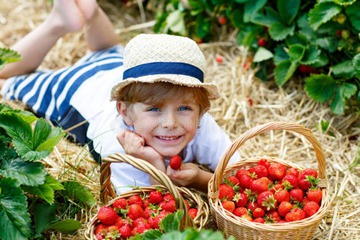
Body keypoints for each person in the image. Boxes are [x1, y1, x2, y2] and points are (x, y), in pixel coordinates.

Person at [0, 0, 238, 194]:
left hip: (122, 68)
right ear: (124, 112)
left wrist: (199, 178)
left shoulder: (201, 124)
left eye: (184, 109)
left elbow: (239, 174)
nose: (171, 123)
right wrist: (153, 164)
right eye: (155, 109)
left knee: (109, 49)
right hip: (78, 90)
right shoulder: (120, 147)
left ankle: (91, 12)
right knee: (6, 78)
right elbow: (152, 208)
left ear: (201, 111)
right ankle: (57, 23)